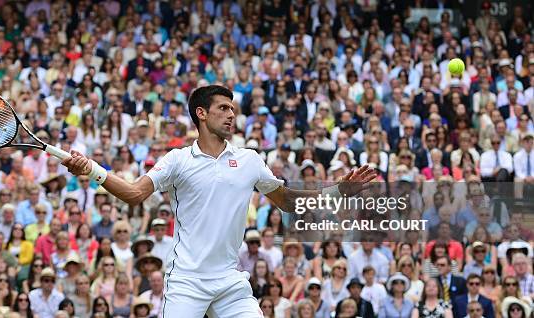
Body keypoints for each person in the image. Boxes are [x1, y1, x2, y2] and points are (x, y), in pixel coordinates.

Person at [61, 85, 377, 317]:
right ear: (202, 113)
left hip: (229, 280)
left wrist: (338, 192)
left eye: (232, 109)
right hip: (186, 280)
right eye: (223, 108)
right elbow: (133, 193)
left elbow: (288, 201)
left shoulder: (250, 160)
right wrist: (91, 169)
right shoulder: (178, 160)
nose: (231, 115)